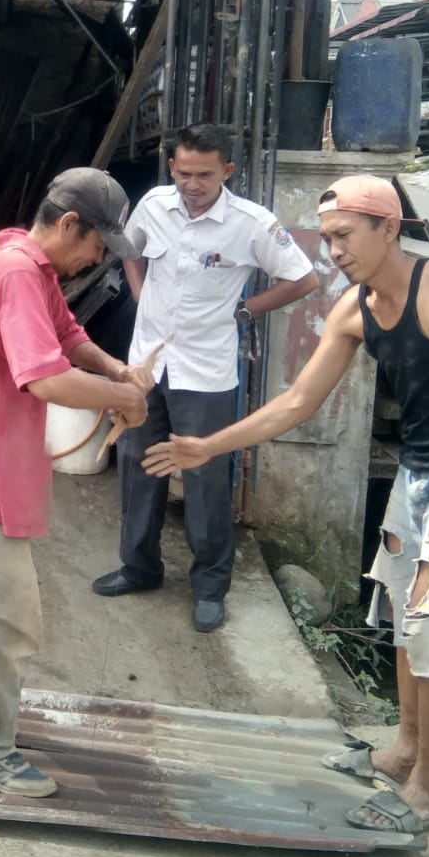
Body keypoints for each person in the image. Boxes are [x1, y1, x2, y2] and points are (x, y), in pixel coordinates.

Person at [143, 174, 429, 836]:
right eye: (327, 238)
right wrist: (208, 446)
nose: (335, 251)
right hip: (417, 474)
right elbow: (297, 402)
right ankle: (403, 751)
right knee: (403, 614)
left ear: (389, 228)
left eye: (345, 235)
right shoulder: (354, 309)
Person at [0, 169, 151, 797]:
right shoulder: (19, 272)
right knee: (7, 614)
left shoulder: (32, 265)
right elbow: (45, 377)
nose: (98, 258)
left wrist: (115, 369)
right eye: (97, 244)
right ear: (70, 224)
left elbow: (66, 335)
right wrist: (123, 398)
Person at [91, 125, 319, 633]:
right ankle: (139, 567)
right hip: (145, 365)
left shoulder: (251, 224)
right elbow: (130, 248)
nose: (192, 185)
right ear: (172, 166)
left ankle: (210, 586)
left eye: (205, 175)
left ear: (227, 172)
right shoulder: (154, 205)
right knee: (136, 465)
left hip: (205, 371)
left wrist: (246, 308)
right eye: (184, 173)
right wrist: (138, 291)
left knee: (205, 477)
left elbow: (303, 278)